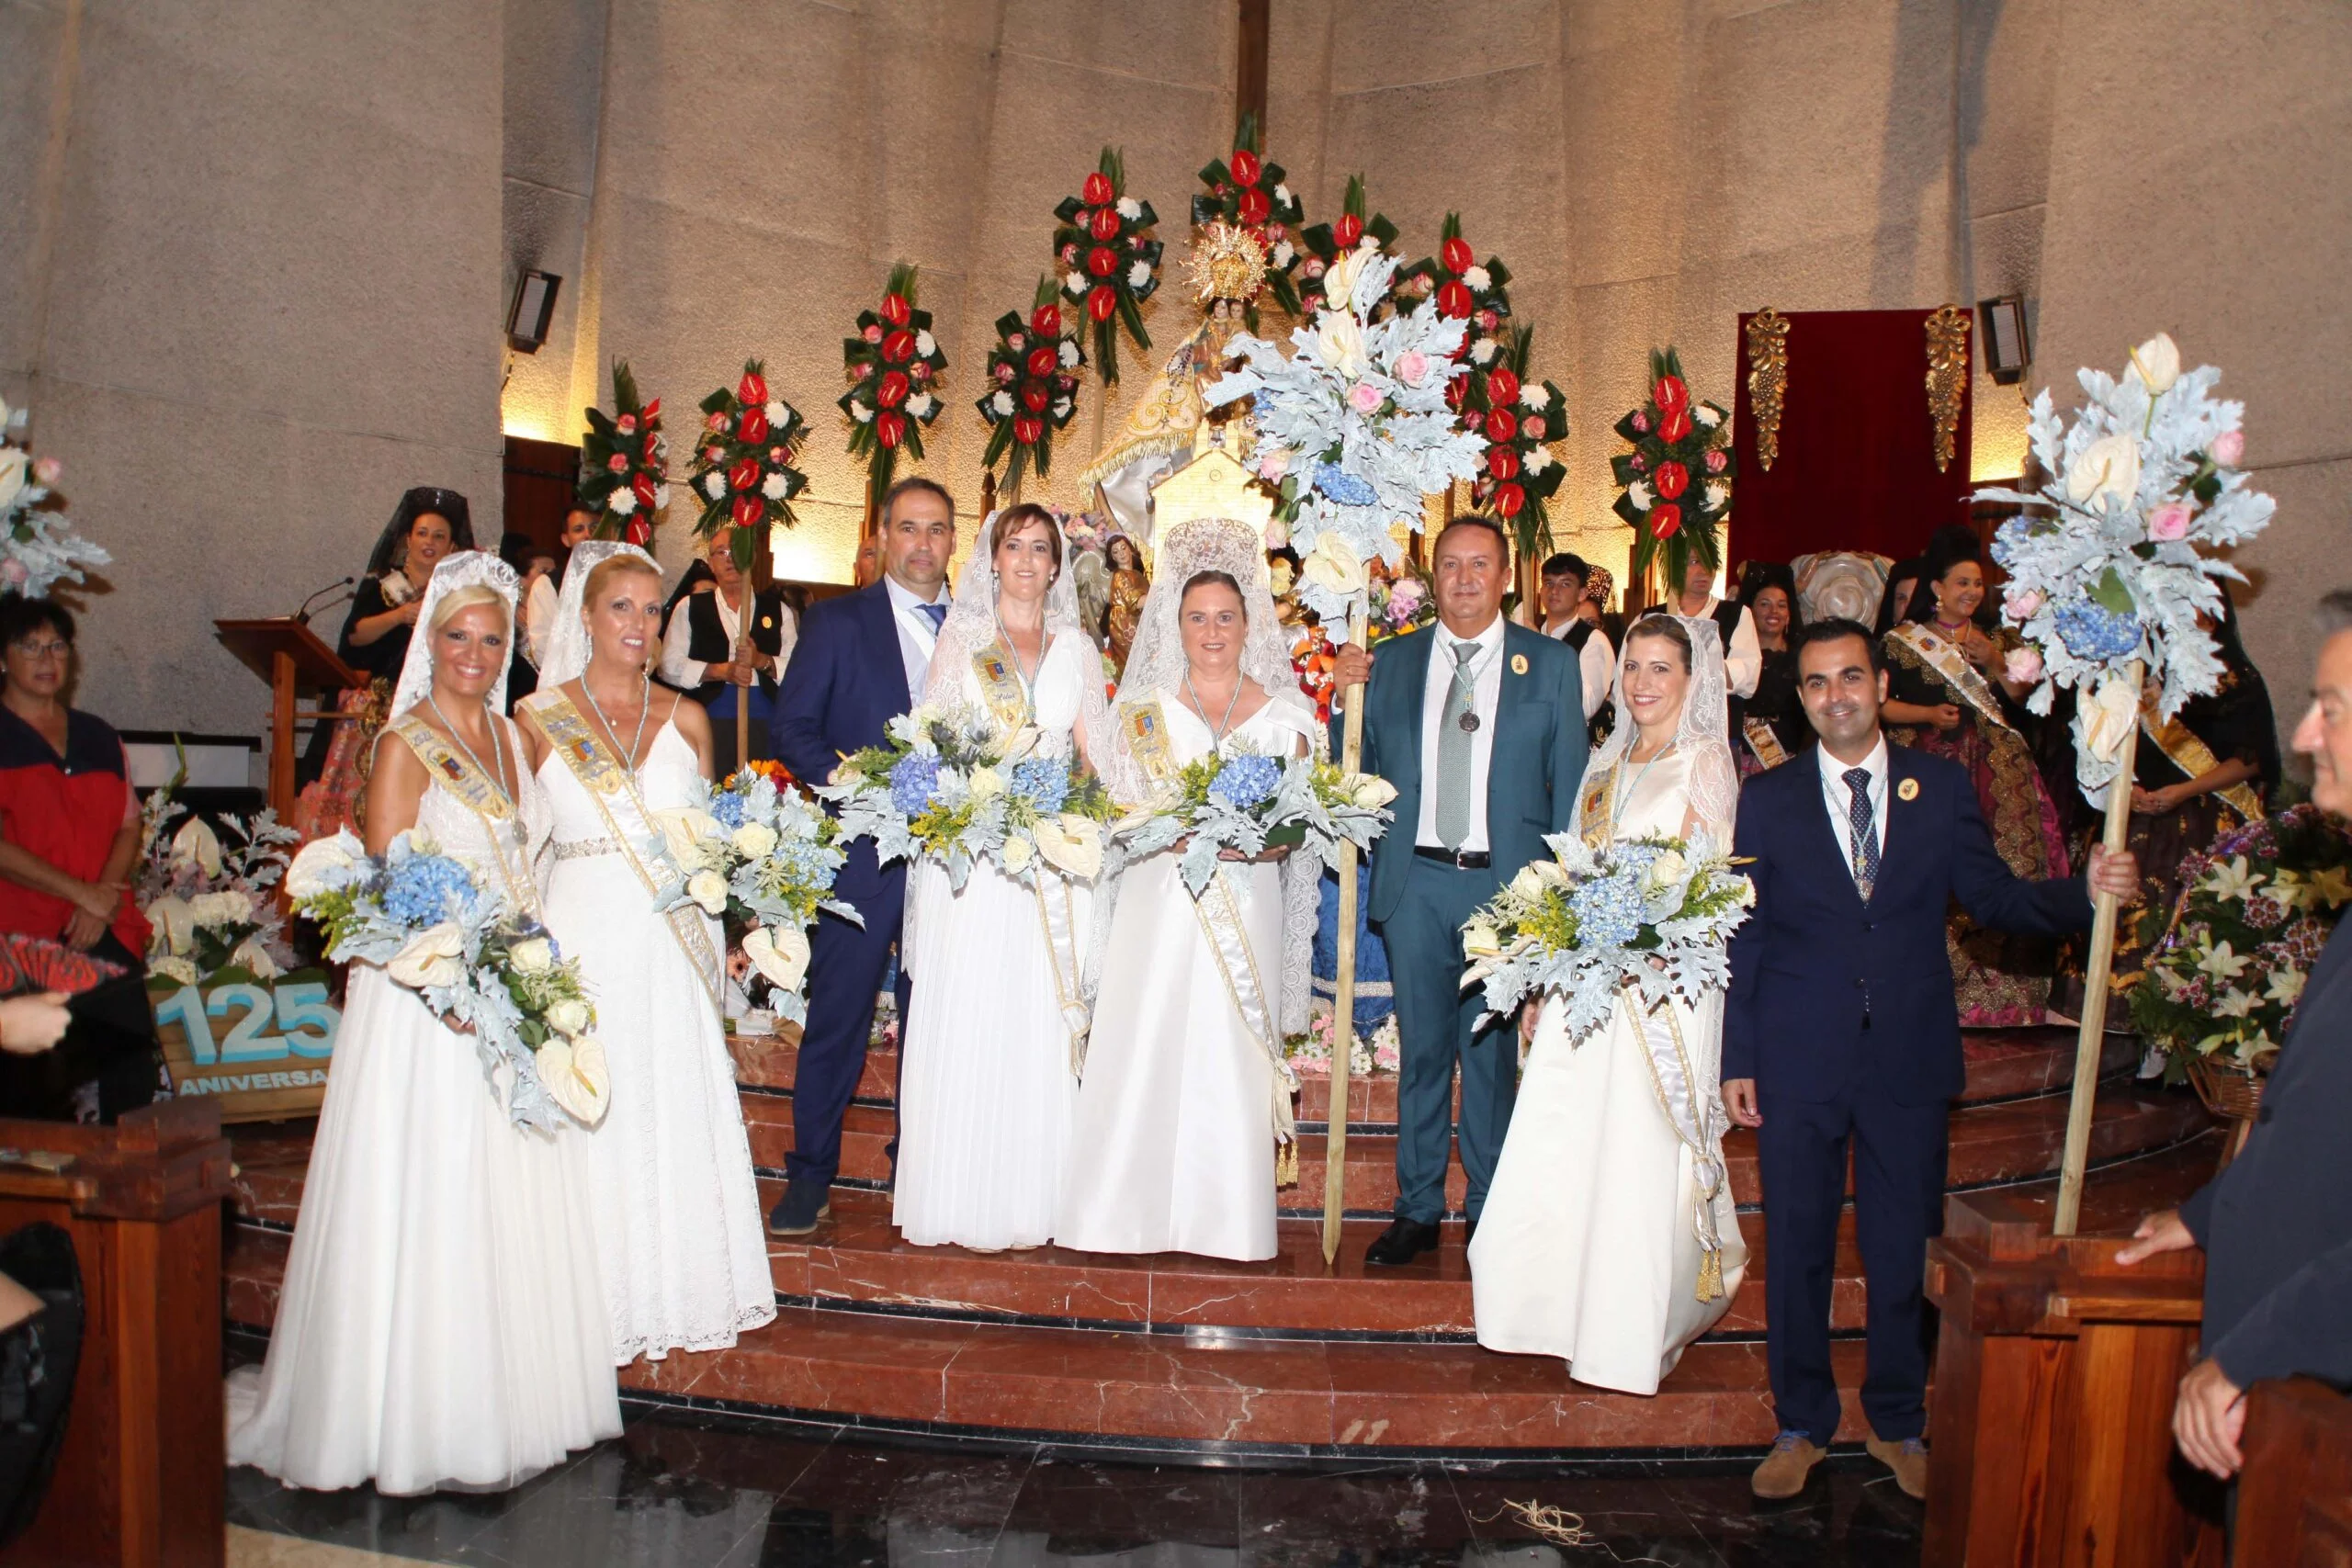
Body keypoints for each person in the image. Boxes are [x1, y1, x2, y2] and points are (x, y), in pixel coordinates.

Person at [1722, 617, 2138, 1502]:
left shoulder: (1938, 787)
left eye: (1851, 677)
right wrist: (1739, 1054)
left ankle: (1899, 1423)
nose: (1837, 694)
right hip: (1798, 1055)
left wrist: (2085, 891)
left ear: (1879, 685)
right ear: (1801, 697)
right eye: (1818, 682)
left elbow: (1994, 897)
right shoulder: (1767, 798)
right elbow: (1746, 935)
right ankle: (1800, 1424)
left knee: (1899, 1246)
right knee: (1796, 1245)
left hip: (1907, 1053)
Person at [228, 553, 618, 1495]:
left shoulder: (511, 738)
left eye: (492, 640)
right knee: (436, 1190)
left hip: (507, 994)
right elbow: (391, 889)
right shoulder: (405, 743)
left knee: (507, 1192)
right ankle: (415, 1413)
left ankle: (517, 1399)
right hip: (429, 1004)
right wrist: (456, 989)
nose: (476, 655)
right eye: (458, 637)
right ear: (429, 641)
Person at [1472, 611, 1748, 1389]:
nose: (1643, 683)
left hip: (1660, 988)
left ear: (1692, 681)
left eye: (1662, 668)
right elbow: (1572, 876)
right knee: (1567, 1133)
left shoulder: (1703, 761)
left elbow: (1709, 881)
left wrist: (1650, 940)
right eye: (1634, 667)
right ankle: (1550, 1311)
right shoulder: (1603, 763)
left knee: (1636, 1145)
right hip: (1587, 983)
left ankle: (1629, 1326)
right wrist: (1542, 977)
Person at [2117, 589, 2352, 1481]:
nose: (2301, 740)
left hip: (2306, 1390)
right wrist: (2205, 1215)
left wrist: (2258, 1353)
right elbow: (2317, 1129)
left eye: (2328, 710)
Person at [519, 543, 775, 1361]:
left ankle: (675, 1287)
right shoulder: (534, 720)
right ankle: (581, 1300)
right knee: (591, 1103)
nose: (639, 623)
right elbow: (517, 850)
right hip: (580, 934)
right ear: (586, 619)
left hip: (670, 943)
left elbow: (710, 846)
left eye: (652, 609)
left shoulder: (689, 718)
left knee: (666, 1102)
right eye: (620, 607)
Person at [1329, 515, 1589, 1267]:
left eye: (1481, 564)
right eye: (1450, 565)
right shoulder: (1390, 662)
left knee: (1490, 1056)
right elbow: (1357, 771)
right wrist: (1344, 703)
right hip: (1418, 882)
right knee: (1423, 1052)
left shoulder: (1549, 665)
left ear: (1508, 576)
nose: (1465, 578)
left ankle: (1485, 1205)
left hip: (1507, 889)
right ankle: (1416, 1208)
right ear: (1432, 575)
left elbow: (1568, 786)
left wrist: (1560, 899)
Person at [1059, 520, 1322, 1261]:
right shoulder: (1142, 714)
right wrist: (1169, 833)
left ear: (1249, 626)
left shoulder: (1284, 717)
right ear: (1175, 625)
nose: (1212, 630)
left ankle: (1223, 1218)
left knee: (1227, 1047)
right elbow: (1114, 810)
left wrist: (1247, 840)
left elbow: (1298, 827)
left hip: (1246, 897)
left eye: (1226, 618)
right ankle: (1120, 1211)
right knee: (1145, 1037)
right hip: (1158, 901)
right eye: (1197, 617)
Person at [893, 504, 1108, 1251]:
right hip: (979, 867)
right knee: (973, 1009)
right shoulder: (964, 642)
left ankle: (1038, 1196)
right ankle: (956, 1193)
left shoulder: (1078, 650)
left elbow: (1093, 760)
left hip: (1048, 863)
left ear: (1057, 566)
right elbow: (930, 747)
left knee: (1036, 1023)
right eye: (1012, 545)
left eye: (1039, 547)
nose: (1024, 559)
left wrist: (1079, 816)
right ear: (992, 560)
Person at [769, 477, 956, 1236]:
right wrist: (857, 789)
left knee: (937, 1018)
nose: (922, 543)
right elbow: (794, 730)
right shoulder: (837, 621)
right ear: (881, 535)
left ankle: (918, 1162)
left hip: (952, 859)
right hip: (862, 859)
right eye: (908, 528)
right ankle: (810, 1174)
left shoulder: (979, 631)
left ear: (953, 540)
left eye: (937, 529)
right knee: (838, 1014)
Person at [1881, 538, 2070, 1025]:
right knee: (1930, 873)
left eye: (1978, 584)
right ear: (1937, 589)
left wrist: (1992, 659)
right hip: (1926, 770)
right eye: (1962, 582)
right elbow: (1879, 705)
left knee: (2004, 869)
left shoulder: (1998, 641)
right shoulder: (1901, 642)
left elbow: (2021, 698)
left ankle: (2002, 1001)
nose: (1971, 591)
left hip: (1996, 773)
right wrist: (1925, 712)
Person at [0, 598, 157, 1122]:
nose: (47, 659)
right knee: (33, 1083)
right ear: (3, 659)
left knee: (130, 1062)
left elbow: (128, 824)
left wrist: (99, 902)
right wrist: (79, 893)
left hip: (99, 920)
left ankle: (126, 1183)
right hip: (21, 929)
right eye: (29, 647)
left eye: (58, 646)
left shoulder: (99, 736)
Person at [2108, 586, 2279, 1024]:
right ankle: (2129, 1024)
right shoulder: (2142, 672)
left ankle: (2178, 1028)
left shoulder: (2236, 676)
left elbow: (2251, 759)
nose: (2192, 614)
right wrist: (2126, 789)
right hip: (2138, 812)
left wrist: (2183, 792)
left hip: (2206, 814)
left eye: (2203, 607)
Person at [660, 533, 795, 765]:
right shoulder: (690, 607)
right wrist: (721, 671)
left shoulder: (778, 610)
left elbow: (797, 670)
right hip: (709, 714)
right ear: (711, 562)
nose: (729, 559)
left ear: (751, 558)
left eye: (736, 551)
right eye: (721, 552)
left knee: (763, 789)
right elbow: (668, 666)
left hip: (765, 715)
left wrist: (761, 660)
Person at [337, 488, 474, 684]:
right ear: (409, 540)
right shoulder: (382, 583)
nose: (429, 542)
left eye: (439, 536)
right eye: (422, 533)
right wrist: (399, 616)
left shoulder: (457, 593)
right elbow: (354, 637)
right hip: (376, 700)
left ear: (451, 547)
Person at [1738, 564, 1807, 774]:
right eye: (1765, 604)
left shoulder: (1802, 658)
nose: (1773, 611)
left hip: (1789, 757)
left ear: (1789, 615)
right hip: (1741, 756)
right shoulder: (1735, 658)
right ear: (1751, 611)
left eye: (1781, 605)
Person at [1671, 552, 1761, 709]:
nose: (1704, 570)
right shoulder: (1649, 617)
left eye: (1710, 563)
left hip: (1717, 723)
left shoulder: (1736, 614)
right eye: (1695, 562)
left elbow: (1748, 675)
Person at [1535, 553, 1615, 724]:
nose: (1554, 591)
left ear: (1581, 593)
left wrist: (1544, 653)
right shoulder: (1529, 637)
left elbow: (1585, 708)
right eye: (1548, 583)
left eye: (1565, 584)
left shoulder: (1594, 641)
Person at [520, 505, 595, 668]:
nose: (588, 535)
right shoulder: (546, 585)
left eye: (594, 527)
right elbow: (543, 650)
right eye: (578, 529)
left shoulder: (615, 580)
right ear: (565, 539)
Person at [1102, 534, 1148, 675]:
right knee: (1132, 665)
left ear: (1130, 549)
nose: (1121, 553)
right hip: (1124, 624)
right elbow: (1137, 602)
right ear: (1113, 557)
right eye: (1116, 552)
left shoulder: (1137, 574)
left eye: (1123, 548)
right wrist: (1161, 592)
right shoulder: (1120, 576)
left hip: (1139, 621)